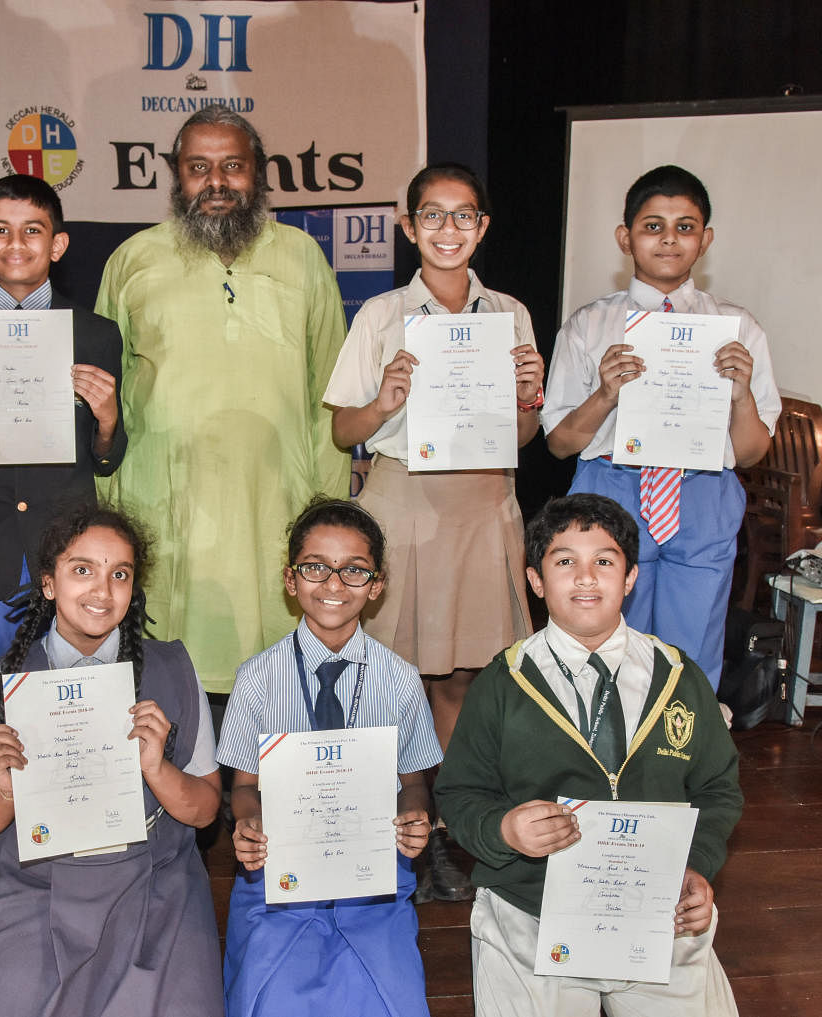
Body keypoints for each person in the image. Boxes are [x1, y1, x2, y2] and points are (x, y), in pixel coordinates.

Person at [323, 162, 543, 901]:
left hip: (483, 508)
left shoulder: (509, 313)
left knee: (464, 681)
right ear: (407, 224)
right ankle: (394, 831)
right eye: (433, 215)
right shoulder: (381, 315)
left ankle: (449, 829)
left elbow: (524, 431)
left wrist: (528, 397)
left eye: (463, 215)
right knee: (392, 680)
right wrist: (385, 397)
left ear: (482, 227)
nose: (448, 229)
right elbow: (342, 429)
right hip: (404, 505)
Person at [434, 493, 742, 1016]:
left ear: (630, 578)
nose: (585, 578)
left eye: (604, 561)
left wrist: (695, 865)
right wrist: (504, 831)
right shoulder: (504, 682)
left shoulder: (678, 676)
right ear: (535, 581)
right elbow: (461, 792)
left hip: (659, 906)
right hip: (533, 904)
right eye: (564, 562)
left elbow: (717, 789)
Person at [95, 107, 349, 694]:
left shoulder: (303, 256)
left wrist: (326, 512)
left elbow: (331, 397)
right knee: (165, 683)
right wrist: (111, 502)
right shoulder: (133, 260)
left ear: (259, 174)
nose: (216, 182)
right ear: (176, 177)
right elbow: (103, 397)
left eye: (232, 166)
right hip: (163, 504)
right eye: (198, 167)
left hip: (276, 501)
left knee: (278, 683)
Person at [0, 505, 224, 1017]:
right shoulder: (1, 685)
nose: (102, 591)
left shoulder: (174, 670)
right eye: (83, 570)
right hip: (32, 880)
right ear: (49, 583)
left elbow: (205, 810)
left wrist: (156, 769)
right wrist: (6, 791)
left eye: (119, 574)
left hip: (150, 879)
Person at [543, 165, 780, 689]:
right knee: (600, 647)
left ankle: (681, 762)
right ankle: (599, 761)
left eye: (685, 226)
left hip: (702, 494)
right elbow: (559, 443)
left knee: (690, 655)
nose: (669, 238)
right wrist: (605, 394)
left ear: (706, 240)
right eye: (653, 226)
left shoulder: (739, 328)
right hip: (611, 487)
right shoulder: (589, 325)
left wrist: (739, 396)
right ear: (625, 237)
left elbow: (750, 453)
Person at [218, 497, 443, 1017]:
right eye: (316, 567)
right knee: (267, 998)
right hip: (280, 869)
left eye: (354, 570)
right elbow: (244, 786)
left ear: (377, 584)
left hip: (372, 874)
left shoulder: (401, 679)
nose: (335, 584)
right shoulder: (257, 677)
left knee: (393, 1001)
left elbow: (412, 780)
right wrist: (249, 825)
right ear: (291, 580)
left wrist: (415, 815)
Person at [0, 173, 126, 681]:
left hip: (67, 549)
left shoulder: (97, 335)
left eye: (32, 231)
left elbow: (108, 456)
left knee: (72, 696)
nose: (16, 244)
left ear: (57, 244)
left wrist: (107, 419)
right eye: (0, 230)